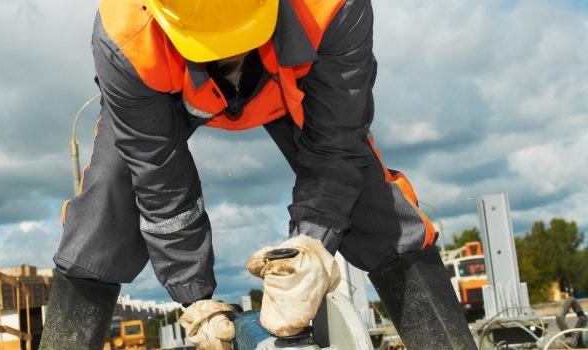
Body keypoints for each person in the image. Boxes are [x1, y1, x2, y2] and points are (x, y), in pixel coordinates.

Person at [40, 0, 477, 349]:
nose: (227, 56)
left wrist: (308, 248)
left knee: (372, 204)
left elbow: (336, 146)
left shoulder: (331, 8)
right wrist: (195, 298)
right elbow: (159, 180)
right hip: (166, 91)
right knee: (105, 207)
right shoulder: (125, 34)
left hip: (292, 80)